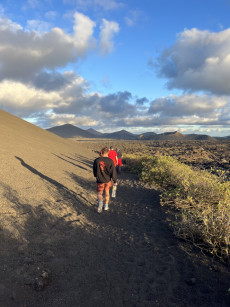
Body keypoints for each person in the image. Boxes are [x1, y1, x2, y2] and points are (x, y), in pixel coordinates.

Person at [93, 147, 117, 213]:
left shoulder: (96, 160)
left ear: (102, 152)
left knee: (99, 193)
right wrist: (115, 181)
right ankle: (106, 205)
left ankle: (100, 203)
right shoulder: (110, 161)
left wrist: (96, 176)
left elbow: (94, 171)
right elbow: (113, 172)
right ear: (107, 153)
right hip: (107, 180)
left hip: (99, 180)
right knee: (107, 192)